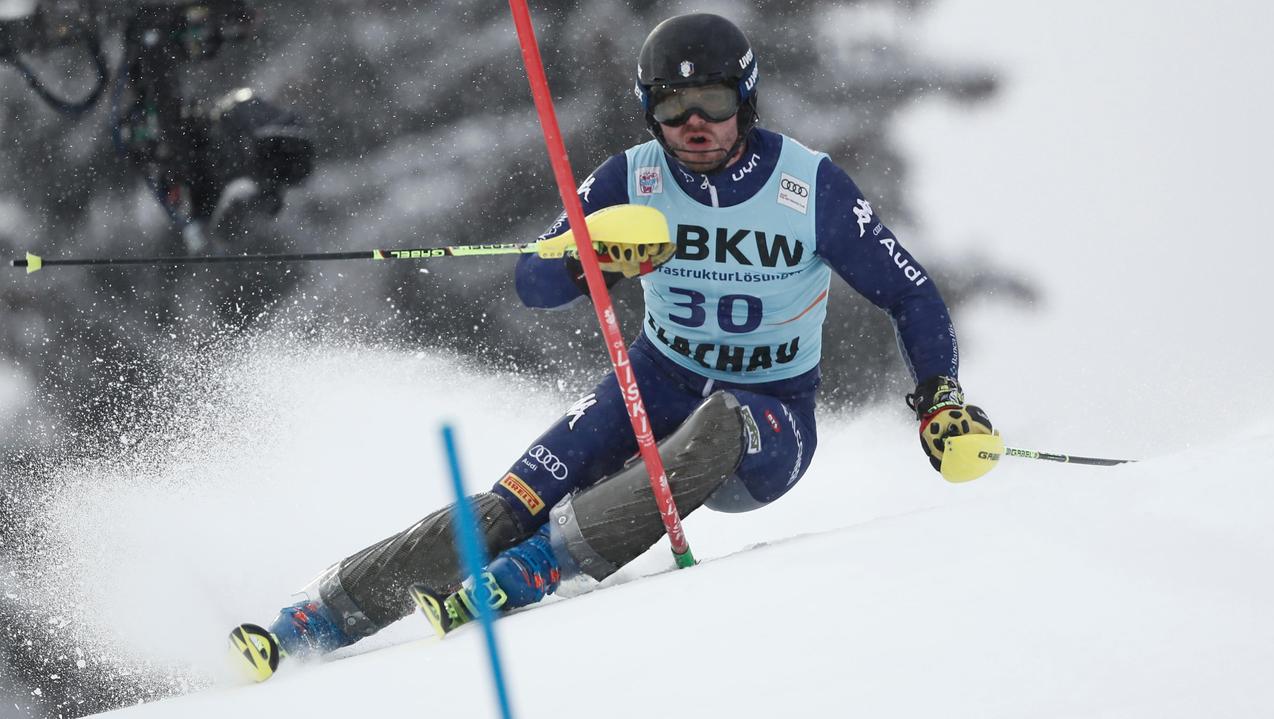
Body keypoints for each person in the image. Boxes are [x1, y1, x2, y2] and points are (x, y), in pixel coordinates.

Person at [229, 12, 996, 679]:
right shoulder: (631, 178)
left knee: (723, 417)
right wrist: (585, 258)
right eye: (671, 106)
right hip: (656, 379)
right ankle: (316, 619)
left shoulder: (810, 186)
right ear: (648, 112)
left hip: (771, 413)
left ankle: (540, 569)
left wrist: (940, 398)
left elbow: (911, 293)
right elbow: (533, 277)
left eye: (713, 103)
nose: (693, 123)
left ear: (747, 101)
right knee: (514, 500)